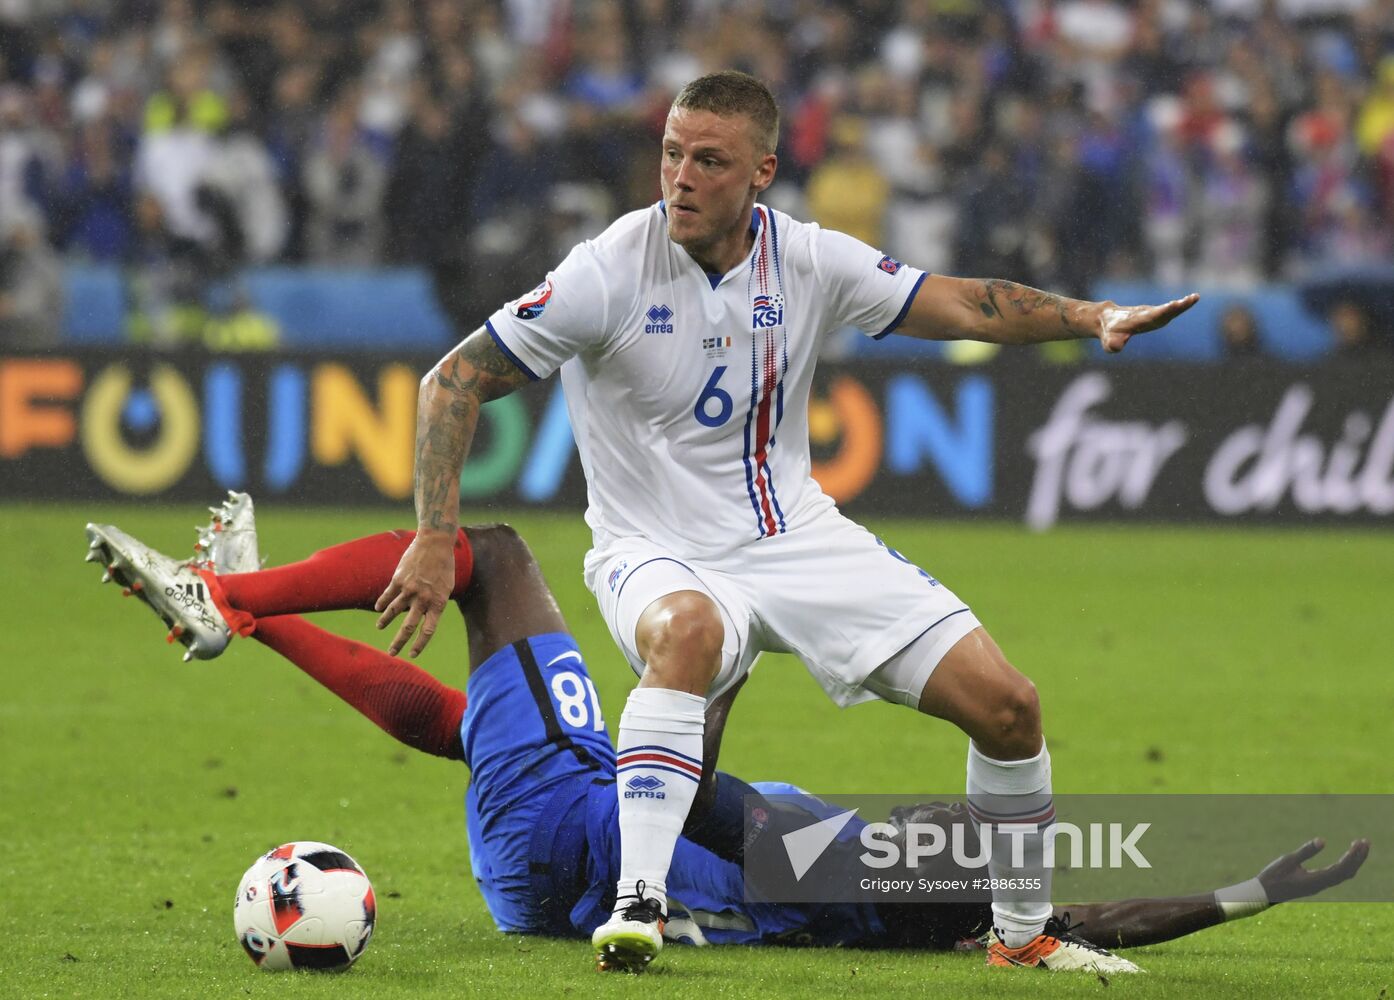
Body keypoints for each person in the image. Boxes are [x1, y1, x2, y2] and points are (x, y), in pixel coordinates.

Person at [371, 70, 1200, 973]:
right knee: (684, 633)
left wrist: (1093, 316)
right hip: (655, 550)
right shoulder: (607, 269)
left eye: (709, 160)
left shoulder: (807, 259)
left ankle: (1022, 936)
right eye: (672, 154)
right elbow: (451, 380)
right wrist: (431, 534)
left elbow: (964, 301)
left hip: (798, 541)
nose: (680, 177)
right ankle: (636, 906)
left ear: (762, 170)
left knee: (1010, 708)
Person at [82, 495, 1368, 964]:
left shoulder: (825, 856)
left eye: (954, 830)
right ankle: (245, 625)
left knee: (494, 560)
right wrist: (1245, 887)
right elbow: (1081, 919)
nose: (951, 817)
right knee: (482, 720)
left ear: (931, 854)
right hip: (548, 869)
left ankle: (228, 603)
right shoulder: (891, 894)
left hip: (578, 835)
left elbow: (685, 780)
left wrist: (713, 654)